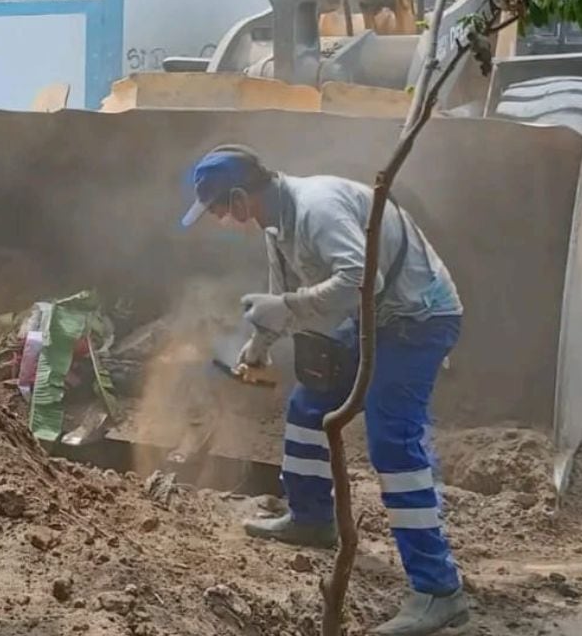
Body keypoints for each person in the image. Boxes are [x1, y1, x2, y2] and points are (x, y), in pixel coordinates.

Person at [179, 145, 468, 636]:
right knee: (309, 403)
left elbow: (362, 281)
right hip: (369, 316)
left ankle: (439, 592)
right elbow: (282, 291)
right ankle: (311, 519)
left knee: (392, 439)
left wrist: (286, 305)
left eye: (221, 209)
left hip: (418, 316)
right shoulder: (275, 223)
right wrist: (259, 341)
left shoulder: (317, 208)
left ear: (240, 196)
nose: (223, 220)